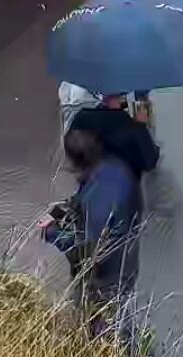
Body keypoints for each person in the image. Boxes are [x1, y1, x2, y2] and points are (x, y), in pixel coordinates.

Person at [42, 128, 143, 348]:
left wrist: (53, 234)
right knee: (122, 315)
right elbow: (83, 200)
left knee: (105, 329)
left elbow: (87, 251)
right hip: (128, 261)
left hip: (104, 274)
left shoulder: (95, 198)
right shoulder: (114, 170)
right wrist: (60, 212)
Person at [70, 94, 160, 180]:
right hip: (123, 182)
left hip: (93, 176)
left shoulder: (83, 117)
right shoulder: (131, 125)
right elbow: (150, 161)